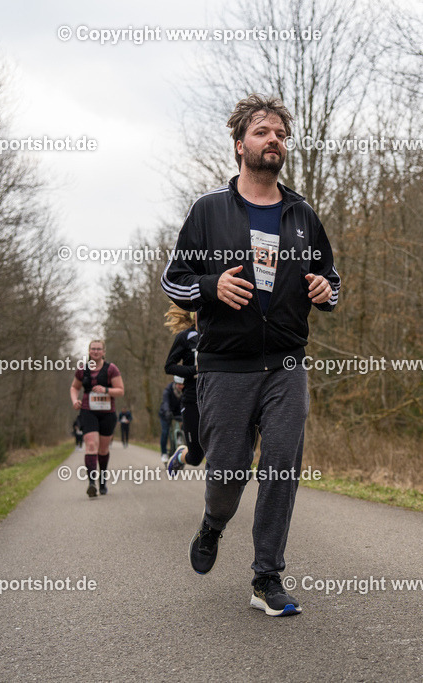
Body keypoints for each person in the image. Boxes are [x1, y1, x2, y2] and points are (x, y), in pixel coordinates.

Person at [161, 94, 339, 616]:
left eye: (280, 133)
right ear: (240, 145)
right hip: (225, 365)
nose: (274, 140)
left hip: (286, 363)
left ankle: (266, 577)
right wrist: (212, 286)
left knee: (281, 467)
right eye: (263, 132)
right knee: (229, 473)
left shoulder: (301, 213)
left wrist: (327, 292)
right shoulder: (209, 210)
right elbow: (175, 279)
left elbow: (331, 278)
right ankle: (213, 523)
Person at [69, 339, 125, 497]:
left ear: (103, 352)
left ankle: (102, 480)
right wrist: (75, 400)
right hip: (88, 411)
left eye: (98, 349)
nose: (95, 351)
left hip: (107, 413)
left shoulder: (111, 369)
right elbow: (74, 387)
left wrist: (105, 390)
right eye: (93, 349)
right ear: (89, 351)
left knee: (103, 449)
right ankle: (92, 483)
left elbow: (120, 391)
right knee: (91, 444)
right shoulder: (82, 369)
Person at [164, 304, 204, 475]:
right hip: (192, 397)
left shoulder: (221, 335)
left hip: (218, 397)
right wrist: (194, 371)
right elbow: (169, 367)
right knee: (195, 458)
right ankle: (180, 456)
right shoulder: (185, 337)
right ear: (193, 315)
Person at [159, 378, 183, 463]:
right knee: (165, 432)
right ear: (175, 383)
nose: (181, 386)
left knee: (185, 425)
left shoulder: (184, 392)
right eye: (179, 384)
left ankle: (180, 439)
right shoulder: (168, 390)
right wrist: (167, 412)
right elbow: (165, 403)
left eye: (182, 384)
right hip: (165, 413)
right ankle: (164, 453)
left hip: (177, 414)